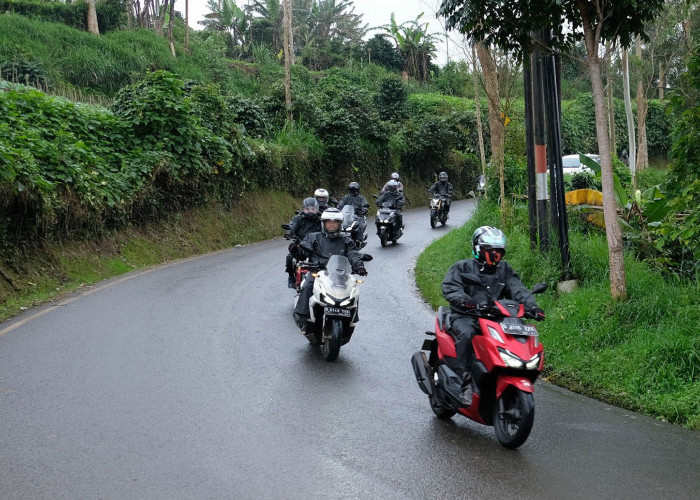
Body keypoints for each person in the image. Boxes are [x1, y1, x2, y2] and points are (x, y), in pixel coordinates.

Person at [441, 226, 545, 405]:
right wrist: (467, 301)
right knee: (466, 334)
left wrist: (532, 307)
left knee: (518, 335)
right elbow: (451, 287)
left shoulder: (504, 269)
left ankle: (508, 372)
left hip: (496, 318)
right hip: (467, 316)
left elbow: (517, 289)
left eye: (499, 253)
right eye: (492, 252)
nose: (496, 256)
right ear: (479, 251)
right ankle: (465, 378)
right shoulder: (462, 267)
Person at [290, 208, 368, 331]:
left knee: (353, 289)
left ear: (340, 224)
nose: (332, 224)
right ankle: (302, 317)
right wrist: (295, 250)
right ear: (323, 223)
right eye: (329, 222)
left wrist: (359, 266)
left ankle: (352, 318)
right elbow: (302, 253)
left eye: (335, 222)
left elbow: (353, 254)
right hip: (318, 272)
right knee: (307, 286)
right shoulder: (313, 237)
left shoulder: (346, 241)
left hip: (339, 275)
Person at [284, 198, 322, 288]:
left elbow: (328, 228)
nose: (310, 211)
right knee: (290, 257)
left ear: (317, 208)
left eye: (313, 209)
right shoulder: (298, 218)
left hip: (317, 244)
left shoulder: (322, 219)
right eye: (307, 209)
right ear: (303, 209)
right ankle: (291, 277)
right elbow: (292, 225)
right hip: (301, 243)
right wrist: (288, 233)